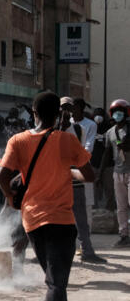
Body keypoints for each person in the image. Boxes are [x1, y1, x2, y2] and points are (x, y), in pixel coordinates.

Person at [0, 92, 94, 301]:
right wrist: (70, 171)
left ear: (33, 111)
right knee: (57, 283)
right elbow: (90, 175)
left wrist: (11, 199)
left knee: (55, 283)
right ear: (59, 115)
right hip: (62, 221)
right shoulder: (67, 140)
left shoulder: (18, 140)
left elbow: (2, 176)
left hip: (33, 222)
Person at [60, 97, 105, 263]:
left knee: (81, 215)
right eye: (62, 108)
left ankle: (86, 249)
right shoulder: (51, 129)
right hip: (55, 179)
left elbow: (85, 151)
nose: (65, 111)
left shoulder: (79, 129)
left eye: (68, 108)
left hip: (75, 176)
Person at [98, 98, 130, 247]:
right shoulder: (110, 132)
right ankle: (124, 234)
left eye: (121, 112)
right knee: (121, 206)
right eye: (115, 112)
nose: (118, 114)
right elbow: (106, 153)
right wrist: (100, 174)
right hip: (118, 172)